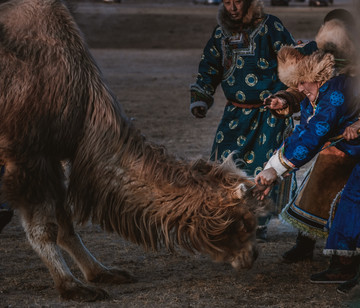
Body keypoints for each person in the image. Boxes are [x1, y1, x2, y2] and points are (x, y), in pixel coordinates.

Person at [254, 41, 360, 294]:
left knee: (352, 199)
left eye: (303, 81)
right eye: (296, 83)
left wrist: (276, 170)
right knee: (349, 199)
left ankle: (345, 263)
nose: (299, 88)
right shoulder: (316, 95)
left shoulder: (334, 92)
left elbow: (316, 133)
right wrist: (272, 169)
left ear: (316, 75)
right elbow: (301, 133)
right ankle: (343, 262)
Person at [190, 0, 295, 240]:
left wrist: (287, 97)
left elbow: (291, 61)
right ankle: (228, 218)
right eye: (227, 2)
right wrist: (201, 98)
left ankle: (257, 224)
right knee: (224, 165)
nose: (233, 7)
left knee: (263, 168)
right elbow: (209, 66)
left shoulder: (271, 27)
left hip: (269, 114)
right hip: (235, 114)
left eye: (238, 1)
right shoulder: (220, 33)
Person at [266, 9, 358, 263]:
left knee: (342, 195)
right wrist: (284, 98)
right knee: (314, 188)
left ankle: (342, 256)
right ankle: (305, 243)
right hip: (331, 137)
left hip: (347, 141)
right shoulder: (313, 51)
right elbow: (302, 86)